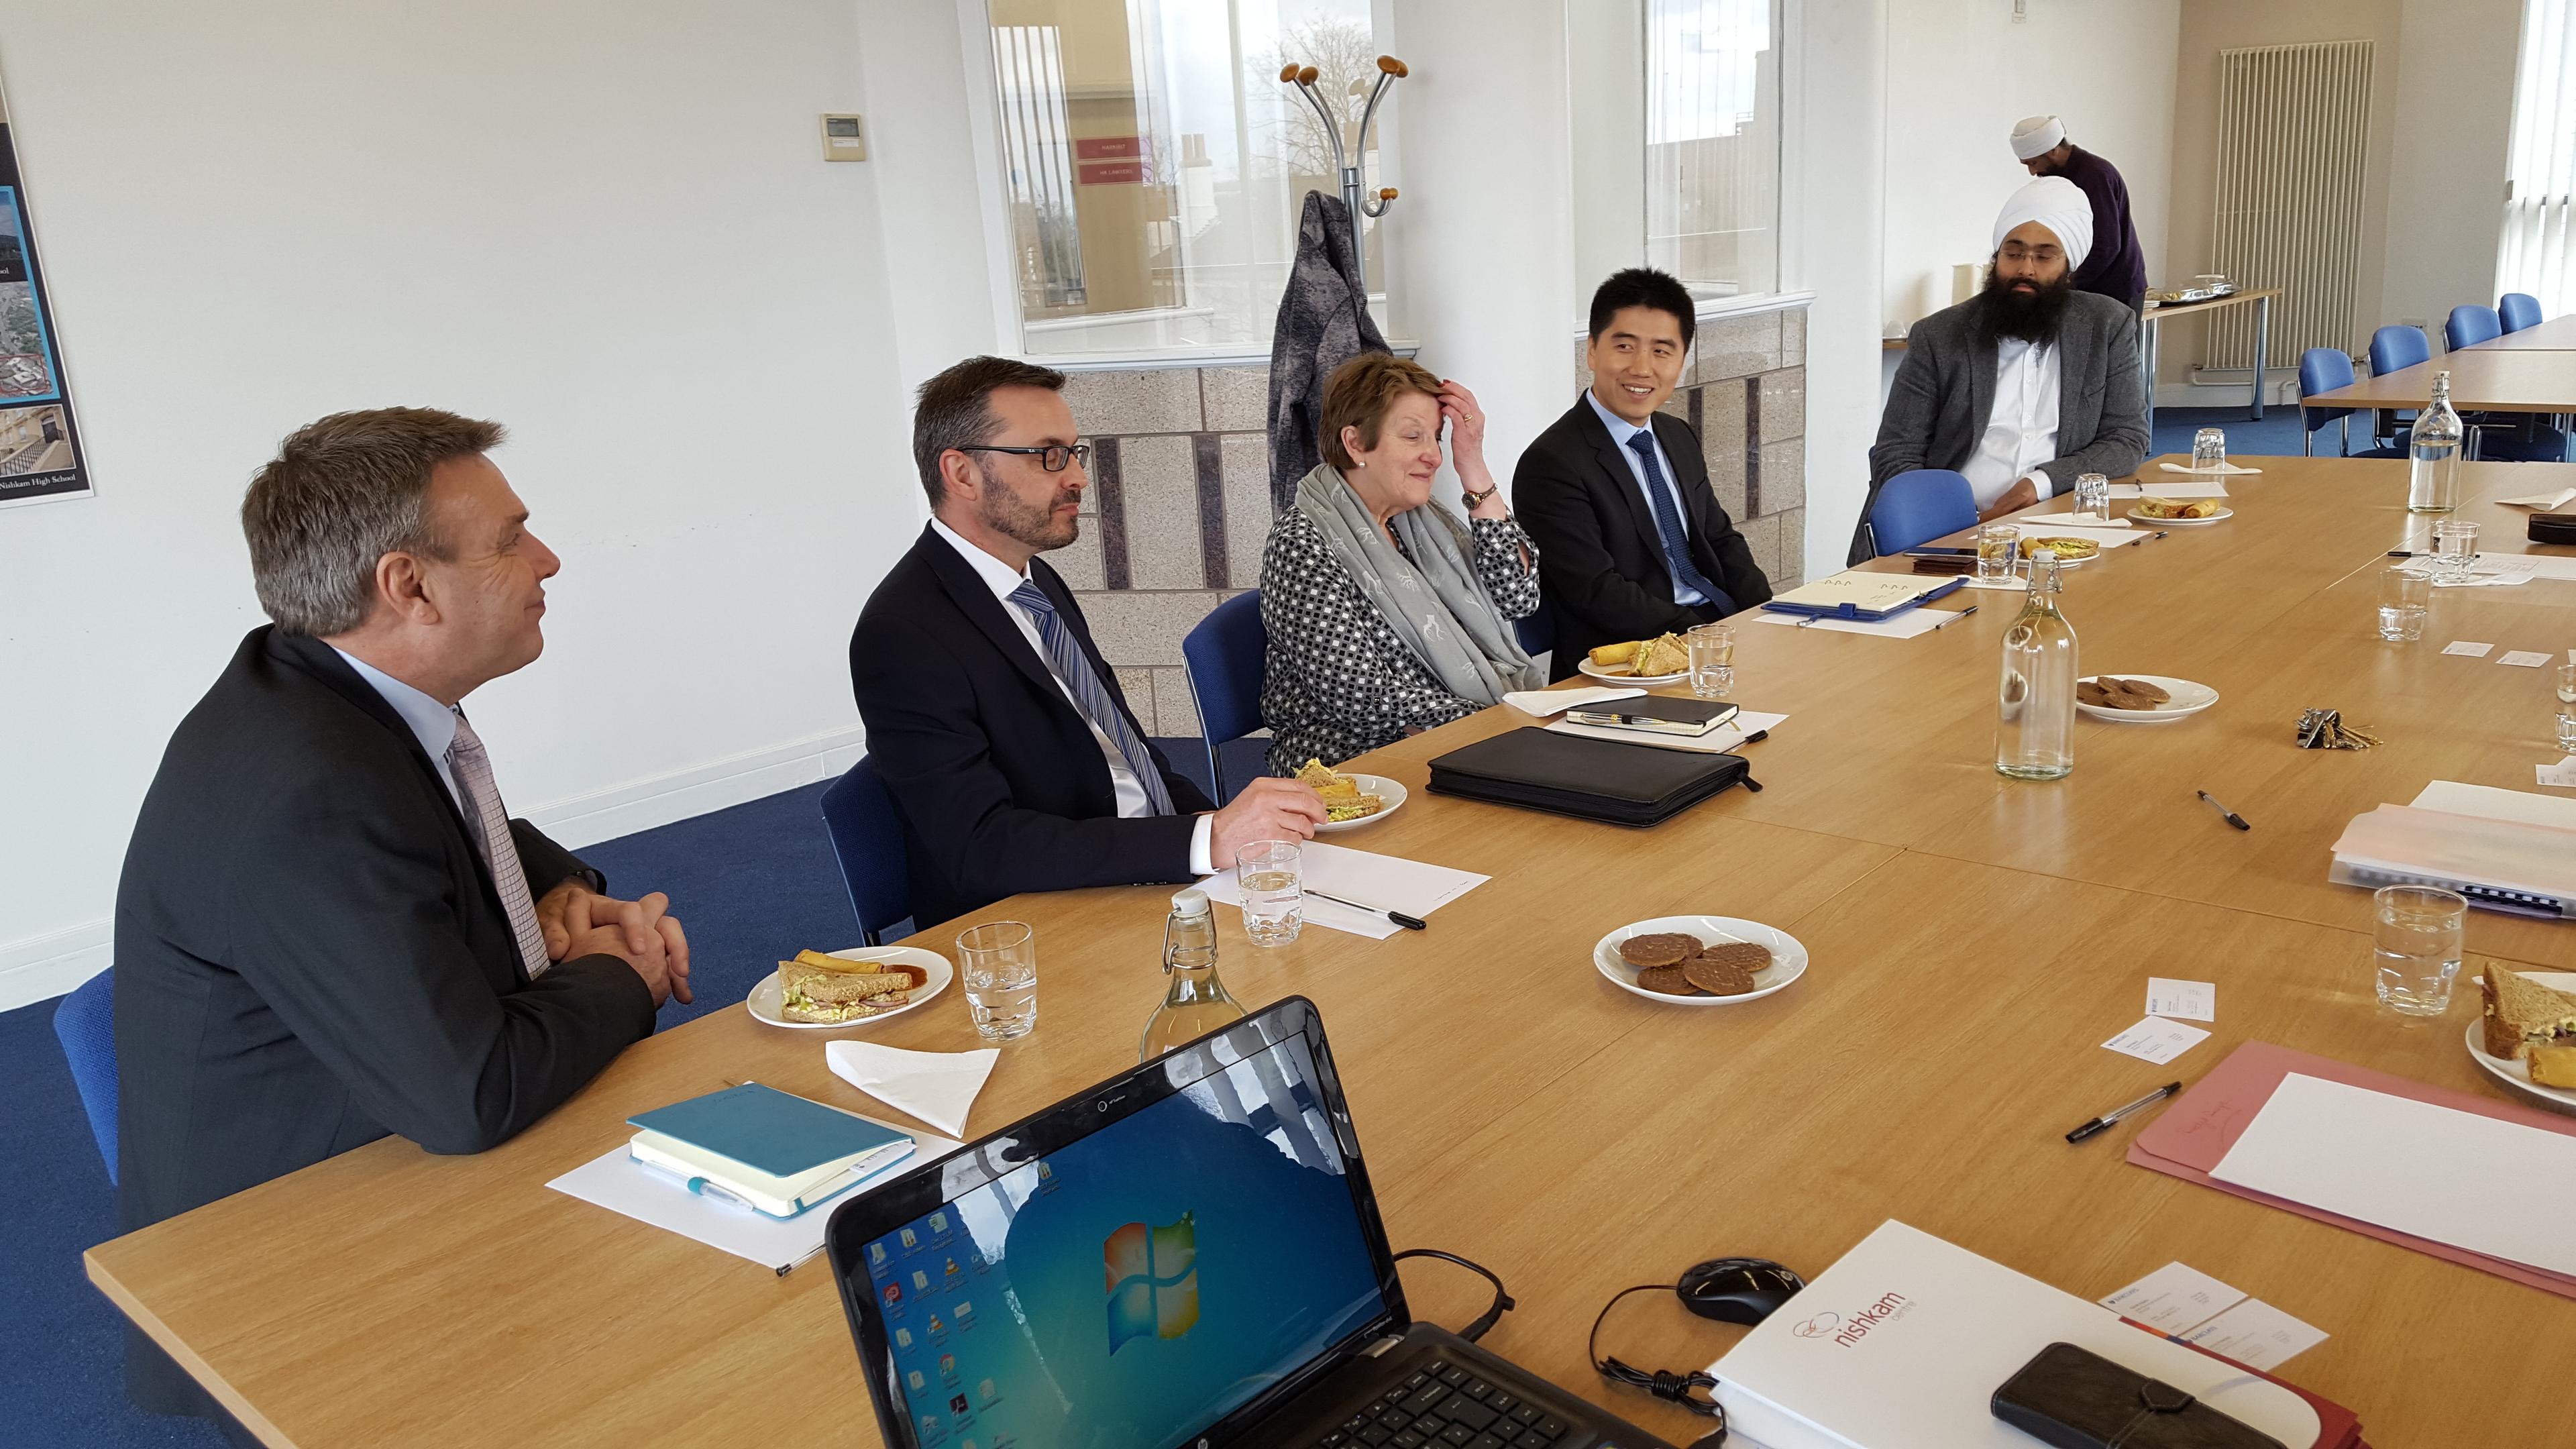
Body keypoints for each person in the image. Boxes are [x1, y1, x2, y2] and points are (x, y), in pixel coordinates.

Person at [115, 408, 690, 1440]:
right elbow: (470, 1096)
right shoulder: (305, 786)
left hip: (399, 1153)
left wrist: (554, 885)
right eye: (513, 539)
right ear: (408, 587)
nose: (548, 559)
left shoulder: (326, 687)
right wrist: (624, 974)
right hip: (307, 1258)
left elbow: (456, 823)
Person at [851, 356, 1324, 926]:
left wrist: (1234, 837)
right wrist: (1205, 840)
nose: (1077, 477)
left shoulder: (1035, 580)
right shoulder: (902, 632)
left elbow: (1126, 752)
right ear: (962, 474)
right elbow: (981, 849)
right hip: (1036, 924)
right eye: (1048, 455)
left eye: (1075, 452)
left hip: (1135, 876)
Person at [1258, 353, 1546, 772]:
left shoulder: (1424, 525)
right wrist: (1496, 721)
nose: (1434, 456)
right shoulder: (1302, 545)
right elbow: (1362, 699)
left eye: (1437, 437)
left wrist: (1474, 467)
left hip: (1458, 738)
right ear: (1355, 443)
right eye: (1413, 437)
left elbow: (1518, 598)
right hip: (1352, 761)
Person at [1856, 177, 2149, 561]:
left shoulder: (2107, 325)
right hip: (1949, 532)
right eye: (2014, 254)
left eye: (2045, 257)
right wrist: (1958, 519)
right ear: (1997, 259)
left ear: (2067, 268)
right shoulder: (1939, 335)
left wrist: (2038, 484)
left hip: (2058, 520)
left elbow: (2126, 438)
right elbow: (1896, 452)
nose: (2026, 269)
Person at [1513, 267, 1774, 672]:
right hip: (1631, 663)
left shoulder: (1676, 435)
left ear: (1682, 361)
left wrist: (1764, 616)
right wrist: (1706, 637)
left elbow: (1720, 539)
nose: (1641, 368)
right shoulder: (1551, 463)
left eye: (1661, 351)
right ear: (1592, 351)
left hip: (1711, 636)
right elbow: (1597, 591)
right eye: (1624, 346)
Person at [2010, 115, 2148, 311]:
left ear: (2053, 150)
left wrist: (2065, 284)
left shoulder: (2095, 175)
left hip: (2114, 291)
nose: (2033, 172)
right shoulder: (2057, 181)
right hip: (2086, 288)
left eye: (2033, 163)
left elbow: (2106, 246)